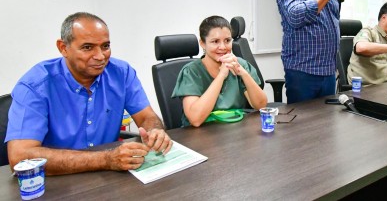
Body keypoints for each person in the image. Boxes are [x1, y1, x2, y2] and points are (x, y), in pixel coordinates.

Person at [6, 12, 172, 175]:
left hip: (110, 176)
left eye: (105, 46)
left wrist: (155, 131)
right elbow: (20, 157)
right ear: (63, 48)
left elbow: (146, 117)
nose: (100, 56)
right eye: (87, 47)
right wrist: (106, 160)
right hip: (58, 180)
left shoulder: (121, 73)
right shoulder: (34, 86)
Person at [275, 0, 342, 103]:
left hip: (328, 71)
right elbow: (296, 16)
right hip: (303, 72)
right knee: (302, 126)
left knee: (326, 123)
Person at [172, 16, 267, 127]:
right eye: (215, 41)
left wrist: (242, 72)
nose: (222, 47)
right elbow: (195, 119)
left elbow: (261, 106)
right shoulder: (191, 71)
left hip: (235, 131)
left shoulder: (241, 64)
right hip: (201, 136)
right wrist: (221, 75)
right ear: (203, 43)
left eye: (227, 40)